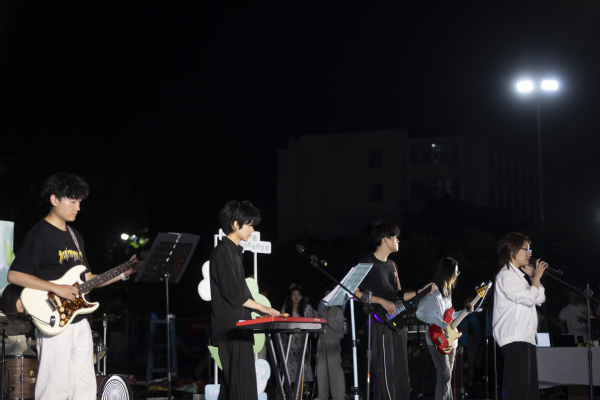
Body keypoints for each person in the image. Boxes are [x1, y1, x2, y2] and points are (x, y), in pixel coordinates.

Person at [7, 172, 139, 400]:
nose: (78, 207)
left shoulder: (75, 236)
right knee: (55, 389)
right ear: (54, 199)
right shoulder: (39, 234)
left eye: (80, 202)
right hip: (54, 319)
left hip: (80, 320)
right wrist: (56, 288)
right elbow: (15, 275)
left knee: (85, 388)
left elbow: (88, 279)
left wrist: (124, 273)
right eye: (73, 201)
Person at [354, 222, 435, 400]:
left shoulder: (392, 265)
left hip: (398, 323)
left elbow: (399, 296)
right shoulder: (366, 263)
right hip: (381, 323)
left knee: (401, 370)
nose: (398, 241)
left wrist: (422, 291)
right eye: (395, 237)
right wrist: (380, 301)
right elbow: (354, 292)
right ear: (385, 239)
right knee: (385, 370)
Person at [209, 200, 280, 400]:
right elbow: (234, 295)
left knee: (234, 386)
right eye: (249, 225)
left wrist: (261, 311)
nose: (252, 230)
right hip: (232, 328)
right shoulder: (223, 252)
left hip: (240, 327)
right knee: (239, 387)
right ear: (235, 224)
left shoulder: (234, 252)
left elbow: (243, 293)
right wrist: (264, 309)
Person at [492, 232, 547, 400]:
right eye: (525, 249)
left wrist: (533, 277)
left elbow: (540, 298)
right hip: (515, 338)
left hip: (526, 338)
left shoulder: (520, 278)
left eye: (530, 249)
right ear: (512, 251)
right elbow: (530, 299)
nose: (529, 253)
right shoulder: (506, 275)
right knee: (517, 391)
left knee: (529, 392)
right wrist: (536, 276)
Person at [416, 257, 472, 400]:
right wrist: (440, 323)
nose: (457, 275)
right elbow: (419, 313)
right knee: (444, 375)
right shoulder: (432, 290)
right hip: (437, 340)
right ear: (448, 272)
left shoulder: (447, 293)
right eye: (455, 272)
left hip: (450, 341)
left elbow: (450, 317)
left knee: (447, 377)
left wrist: (466, 311)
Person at [281, 286, 319, 385]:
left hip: (301, 344)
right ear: (290, 296)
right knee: (288, 372)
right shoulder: (285, 309)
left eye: (298, 295)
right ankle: (287, 392)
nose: (296, 297)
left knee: (301, 373)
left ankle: (299, 392)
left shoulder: (307, 309)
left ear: (302, 297)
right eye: (293, 294)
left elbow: (316, 317)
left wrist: (315, 331)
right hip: (289, 344)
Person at [315, 301, 345, 400]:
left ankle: (338, 395)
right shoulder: (324, 311)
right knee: (321, 369)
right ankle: (322, 395)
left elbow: (339, 327)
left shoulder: (338, 310)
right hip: (322, 340)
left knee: (334, 368)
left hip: (333, 341)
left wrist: (327, 321)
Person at [1, 284, 36, 356]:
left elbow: (20, 344)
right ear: (11, 299)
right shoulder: (1, 318)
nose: (24, 302)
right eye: (21, 299)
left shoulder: (18, 321)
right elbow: (12, 347)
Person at [457, 296, 483, 387]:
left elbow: (478, 327)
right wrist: (461, 329)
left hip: (473, 340)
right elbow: (453, 327)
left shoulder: (475, 313)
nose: (469, 302)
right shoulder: (459, 313)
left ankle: (470, 383)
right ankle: (460, 384)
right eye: (467, 300)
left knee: (471, 363)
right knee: (460, 363)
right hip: (462, 340)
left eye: (471, 301)